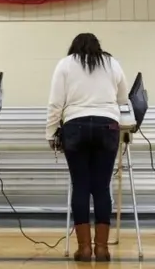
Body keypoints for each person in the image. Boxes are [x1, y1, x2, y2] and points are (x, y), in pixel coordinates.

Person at [46, 33, 129, 262]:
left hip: (75, 126)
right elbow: (123, 99)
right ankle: (101, 248)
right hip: (107, 126)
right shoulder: (112, 63)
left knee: (81, 185)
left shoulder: (65, 64)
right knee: (101, 187)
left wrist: (50, 133)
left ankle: (84, 249)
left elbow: (55, 103)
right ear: (98, 47)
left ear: (74, 48)